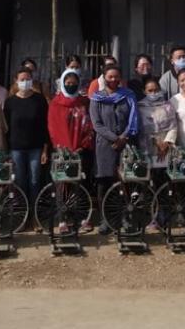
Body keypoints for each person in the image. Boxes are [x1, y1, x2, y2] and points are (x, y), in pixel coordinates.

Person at [91, 65, 139, 234]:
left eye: (116, 76)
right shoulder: (97, 98)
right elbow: (97, 124)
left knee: (125, 182)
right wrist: (114, 138)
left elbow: (133, 118)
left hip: (126, 144)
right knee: (104, 183)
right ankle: (105, 219)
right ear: (104, 77)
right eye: (110, 76)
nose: (113, 80)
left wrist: (124, 137)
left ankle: (125, 217)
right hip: (104, 146)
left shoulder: (128, 95)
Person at [47, 68, 96, 233]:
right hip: (61, 150)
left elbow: (89, 126)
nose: (71, 85)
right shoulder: (55, 103)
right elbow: (53, 128)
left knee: (80, 185)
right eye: (68, 83)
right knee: (61, 185)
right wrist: (62, 148)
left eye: (74, 83)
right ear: (62, 83)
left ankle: (82, 218)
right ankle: (62, 220)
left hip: (80, 150)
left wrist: (82, 145)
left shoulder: (84, 103)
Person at [5, 67, 50, 209]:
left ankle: (34, 212)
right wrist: (6, 151)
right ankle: (23, 212)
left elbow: (45, 125)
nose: (25, 82)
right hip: (16, 148)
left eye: (28, 79)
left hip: (35, 147)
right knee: (19, 181)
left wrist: (45, 149)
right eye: (22, 79)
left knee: (35, 181)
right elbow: (7, 127)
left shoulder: (40, 100)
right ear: (16, 81)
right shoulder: (10, 102)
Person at [137, 76, 177, 231]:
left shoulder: (168, 106)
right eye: (150, 90)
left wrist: (166, 142)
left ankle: (165, 217)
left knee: (164, 185)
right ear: (144, 91)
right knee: (149, 186)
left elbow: (174, 126)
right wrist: (155, 142)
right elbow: (142, 129)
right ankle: (151, 217)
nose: (154, 93)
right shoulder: (140, 107)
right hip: (148, 150)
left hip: (166, 151)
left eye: (156, 90)